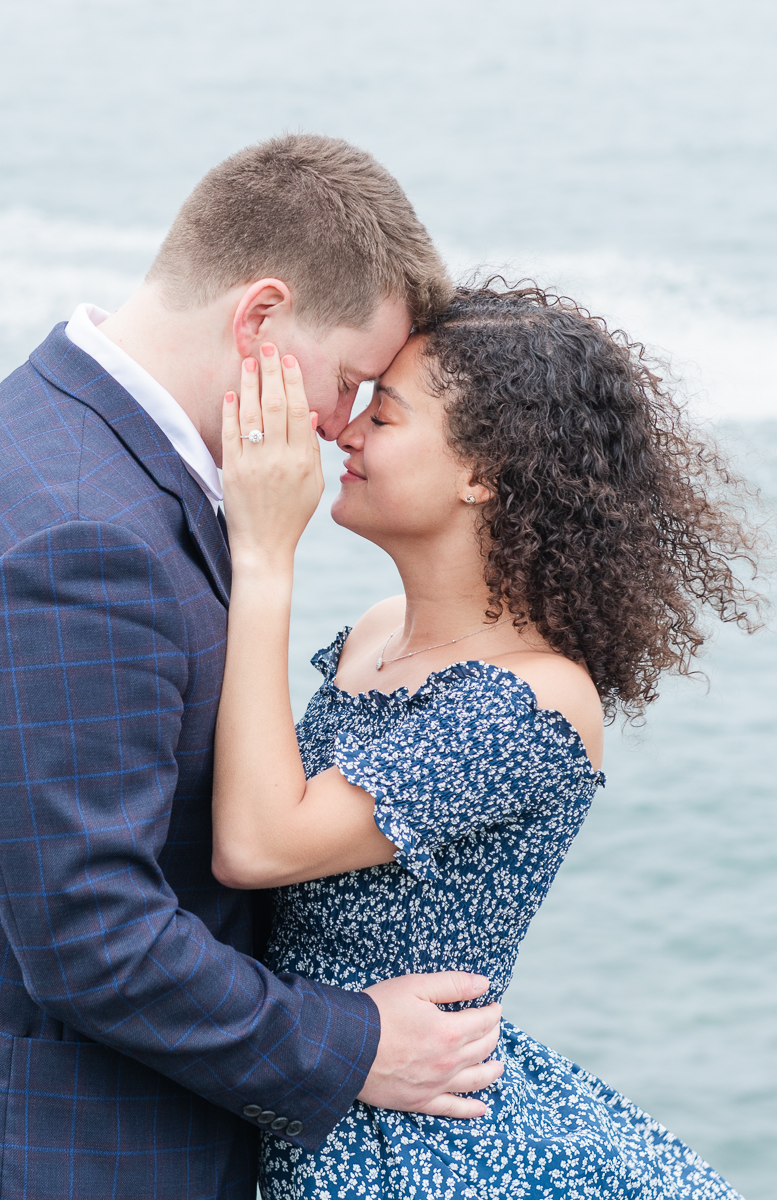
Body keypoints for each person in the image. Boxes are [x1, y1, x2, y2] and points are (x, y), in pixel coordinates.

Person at [0, 136, 504, 1200]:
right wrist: (353, 1045)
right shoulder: (89, 538)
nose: (340, 426)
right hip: (90, 1155)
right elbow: (91, 937)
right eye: (349, 379)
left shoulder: (44, 431)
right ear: (258, 317)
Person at [214, 283, 760, 1199]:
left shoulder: (534, 700)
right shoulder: (377, 629)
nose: (341, 433)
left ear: (485, 470)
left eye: (381, 415)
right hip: (317, 1078)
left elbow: (259, 842)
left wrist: (266, 552)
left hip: (412, 1142)